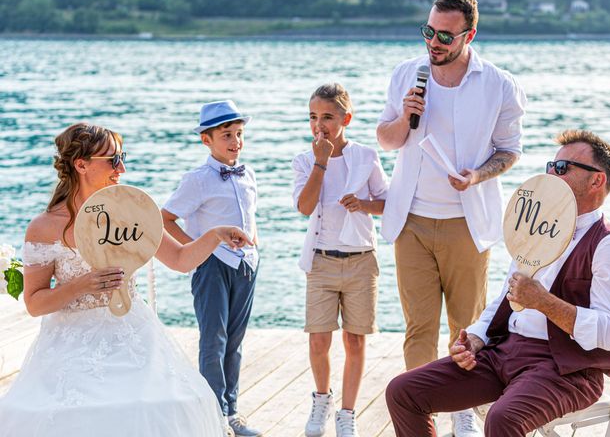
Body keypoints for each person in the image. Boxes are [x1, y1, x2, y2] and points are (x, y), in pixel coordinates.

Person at [0, 122, 254, 437]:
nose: (121, 167)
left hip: (132, 334)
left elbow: (179, 259)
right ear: (81, 165)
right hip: (71, 343)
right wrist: (83, 284)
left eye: (123, 157)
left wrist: (216, 235)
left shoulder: (132, 212)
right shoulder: (45, 227)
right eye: (112, 159)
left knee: (163, 405)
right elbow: (35, 303)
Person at [385, 130, 610, 437]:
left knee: (503, 419)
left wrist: (544, 302)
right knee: (403, 392)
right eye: (549, 166)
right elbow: (507, 296)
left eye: (562, 168)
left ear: (597, 181)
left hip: (567, 370)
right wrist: (477, 337)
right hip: (503, 353)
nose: (550, 174)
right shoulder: (535, 228)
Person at [376, 0, 526, 433]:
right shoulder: (406, 74)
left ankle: (463, 410)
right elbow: (386, 138)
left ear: (469, 34)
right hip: (411, 223)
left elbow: (509, 151)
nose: (433, 42)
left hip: (467, 222)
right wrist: (404, 116)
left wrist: (477, 176)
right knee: (417, 327)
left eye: (444, 35)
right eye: (428, 31)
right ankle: (420, 415)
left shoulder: (499, 84)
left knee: (467, 327)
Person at [292, 84, 388, 437]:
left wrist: (363, 205)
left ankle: (347, 413)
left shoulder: (366, 156)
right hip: (321, 261)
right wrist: (320, 161)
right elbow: (304, 208)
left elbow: (388, 203)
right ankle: (322, 399)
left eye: (328, 117)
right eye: (313, 118)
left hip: (362, 260)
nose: (320, 125)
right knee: (318, 340)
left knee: (355, 340)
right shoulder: (305, 160)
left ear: (346, 119)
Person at [162, 100, 261, 437]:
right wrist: (196, 247)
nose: (235, 142)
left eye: (239, 134)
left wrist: (254, 243)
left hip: (246, 265)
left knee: (234, 340)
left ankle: (232, 411)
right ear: (207, 140)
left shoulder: (248, 174)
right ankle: (213, 415)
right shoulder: (198, 180)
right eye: (227, 136)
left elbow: (249, 215)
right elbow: (164, 219)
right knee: (213, 340)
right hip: (212, 266)